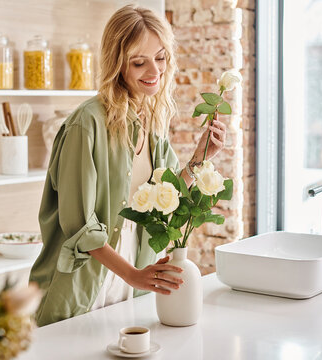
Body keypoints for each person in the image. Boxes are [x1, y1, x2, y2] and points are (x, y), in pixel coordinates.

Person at [29, 4, 227, 327]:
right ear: (117, 64)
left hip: (128, 292)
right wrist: (135, 276)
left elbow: (167, 202)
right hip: (80, 292)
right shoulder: (87, 125)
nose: (154, 72)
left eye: (161, 58)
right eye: (139, 62)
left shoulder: (151, 125)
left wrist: (199, 158)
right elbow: (80, 227)